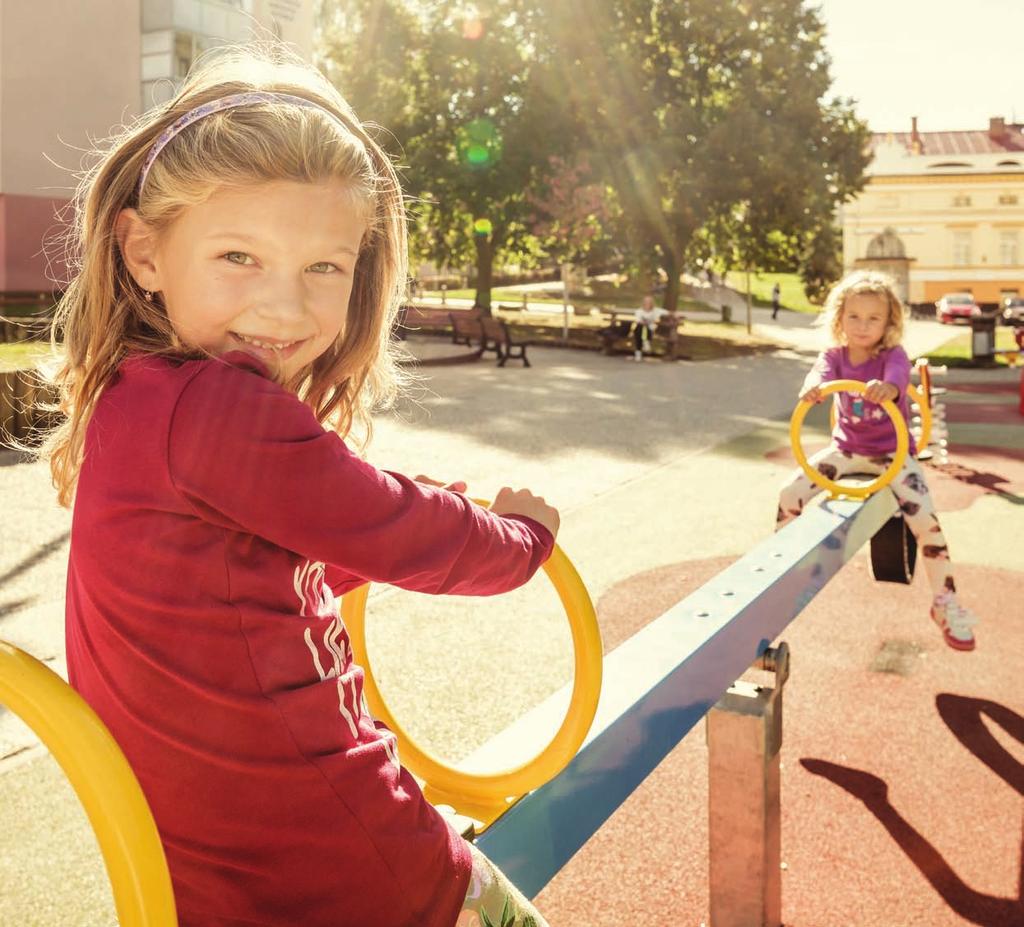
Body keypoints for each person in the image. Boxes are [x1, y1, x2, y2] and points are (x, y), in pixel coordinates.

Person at [41, 46, 555, 927]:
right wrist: (519, 541)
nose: (284, 308)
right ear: (144, 251)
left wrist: (393, 508)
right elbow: (397, 531)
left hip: (219, 877)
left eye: (324, 267)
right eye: (239, 255)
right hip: (345, 857)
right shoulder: (219, 408)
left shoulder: (139, 397)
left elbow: (246, 574)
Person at [775, 270, 978, 651]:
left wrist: (890, 387)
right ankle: (782, 574)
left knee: (927, 524)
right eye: (854, 316)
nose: (863, 325)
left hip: (892, 455)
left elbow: (899, 376)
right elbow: (817, 374)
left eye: (873, 318)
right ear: (840, 318)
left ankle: (945, 602)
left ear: (888, 323)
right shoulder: (834, 357)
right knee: (789, 494)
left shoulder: (892, 357)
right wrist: (812, 388)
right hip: (846, 453)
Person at [632, 293, 663, 361]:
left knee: (643, 329)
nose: (647, 303)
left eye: (649, 301)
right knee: (640, 329)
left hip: (650, 329)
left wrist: (675, 314)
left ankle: (638, 352)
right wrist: (643, 322)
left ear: (652, 302)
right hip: (640, 329)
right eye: (645, 301)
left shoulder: (656, 310)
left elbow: (667, 312)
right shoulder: (639, 311)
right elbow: (638, 320)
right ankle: (645, 341)